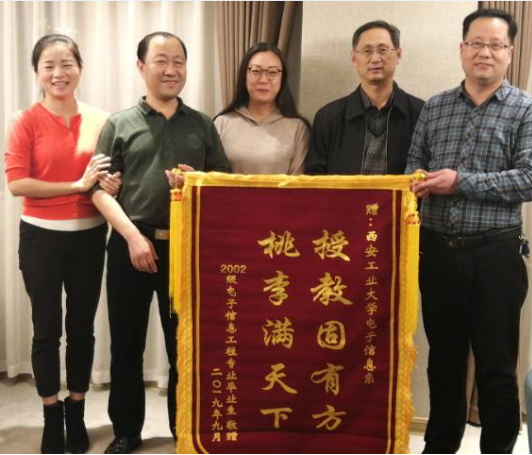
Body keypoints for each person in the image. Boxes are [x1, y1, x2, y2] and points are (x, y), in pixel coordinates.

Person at [406, 9, 532, 454]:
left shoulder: (529, 110)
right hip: (436, 254)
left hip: (495, 256)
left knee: (496, 367)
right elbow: (414, 163)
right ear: (462, 48)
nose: (484, 52)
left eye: (495, 45)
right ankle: (440, 445)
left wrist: (460, 182)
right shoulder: (436, 107)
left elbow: (531, 180)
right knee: (443, 362)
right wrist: (416, 181)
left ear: (510, 52)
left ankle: (498, 448)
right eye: (476, 43)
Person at [91, 31, 230, 454]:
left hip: (186, 252)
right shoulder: (119, 124)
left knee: (183, 346)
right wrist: (133, 237)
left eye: (178, 62)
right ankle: (126, 431)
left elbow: (224, 184)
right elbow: (98, 192)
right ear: (141, 67)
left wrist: (198, 181)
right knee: (126, 345)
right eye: (161, 61)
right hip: (130, 244)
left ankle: (183, 430)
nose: (171, 70)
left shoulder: (202, 124)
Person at [4, 34, 120, 454]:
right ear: (37, 73)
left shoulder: (102, 120)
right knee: (46, 330)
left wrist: (112, 183)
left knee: (82, 329)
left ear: (80, 69)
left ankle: (77, 411)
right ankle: (51, 415)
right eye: (49, 66)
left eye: (67, 64)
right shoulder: (24, 120)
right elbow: (18, 184)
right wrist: (76, 185)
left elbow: (108, 177)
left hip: (89, 236)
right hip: (41, 238)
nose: (59, 73)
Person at [305, 20, 424, 175]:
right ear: (354, 59)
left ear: (398, 55)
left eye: (383, 50)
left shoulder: (422, 113)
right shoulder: (328, 117)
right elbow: (314, 179)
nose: (375, 59)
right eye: (367, 51)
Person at [214, 42, 310, 175]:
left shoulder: (297, 128)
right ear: (244, 75)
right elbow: (209, 178)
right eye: (256, 71)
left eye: (272, 72)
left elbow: (298, 184)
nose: (263, 80)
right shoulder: (222, 123)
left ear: (282, 78)